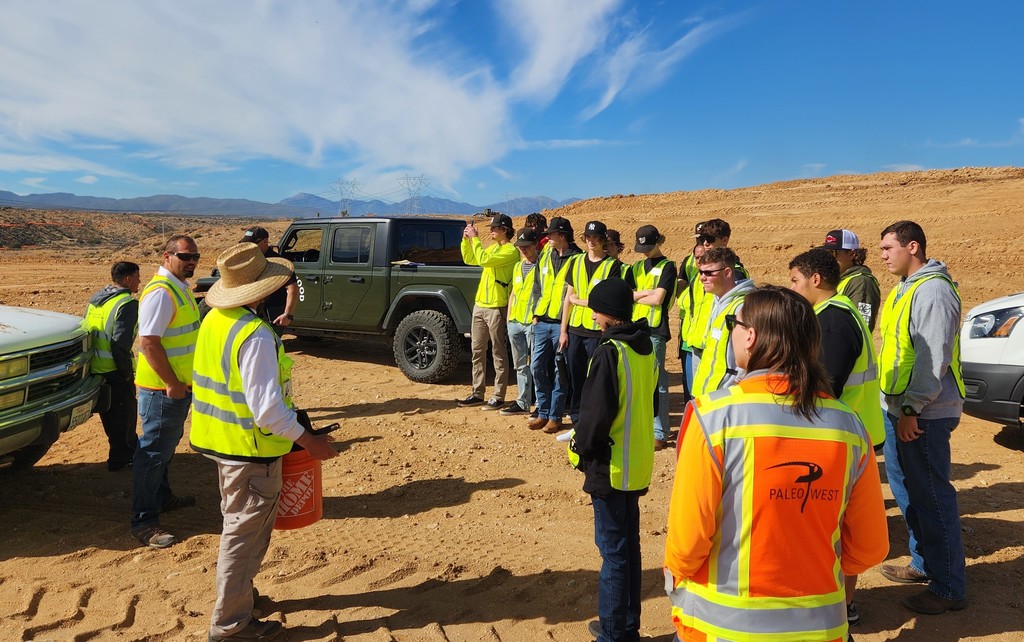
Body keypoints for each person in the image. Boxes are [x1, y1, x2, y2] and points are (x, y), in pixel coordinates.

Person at [664, 286, 888, 642]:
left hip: (720, 629)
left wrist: (675, 577)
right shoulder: (850, 426)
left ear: (750, 336)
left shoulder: (713, 418)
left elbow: (688, 542)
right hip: (822, 629)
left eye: (732, 324)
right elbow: (869, 546)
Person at [190, 243, 339, 642]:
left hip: (223, 444)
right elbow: (268, 411)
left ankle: (241, 599)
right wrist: (310, 442)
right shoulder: (255, 335)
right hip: (250, 451)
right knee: (244, 537)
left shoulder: (214, 319)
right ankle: (231, 626)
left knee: (240, 529)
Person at [789, 248, 886, 628]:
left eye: (796, 280)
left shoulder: (832, 322)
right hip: (849, 432)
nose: (792, 288)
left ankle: (841, 605)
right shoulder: (834, 313)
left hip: (842, 438)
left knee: (839, 526)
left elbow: (824, 385)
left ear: (816, 280)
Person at [877, 220, 967, 615]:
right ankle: (923, 563)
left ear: (912, 246)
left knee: (932, 497)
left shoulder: (932, 290)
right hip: (900, 408)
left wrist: (912, 408)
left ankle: (949, 588)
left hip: (923, 412)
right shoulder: (905, 289)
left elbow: (933, 358)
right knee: (908, 490)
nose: (881, 256)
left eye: (887, 248)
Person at [568, 278, 656, 642]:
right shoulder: (644, 347)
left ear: (605, 314)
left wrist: (579, 447)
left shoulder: (609, 352)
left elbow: (595, 416)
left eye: (595, 309)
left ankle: (614, 633)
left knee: (613, 554)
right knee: (628, 549)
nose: (592, 315)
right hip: (635, 464)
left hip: (610, 465)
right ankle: (625, 625)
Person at [131, 235, 202, 549]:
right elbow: (148, 343)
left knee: (164, 449)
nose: (191, 261)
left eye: (195, 256)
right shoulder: (161, 293)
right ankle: (144, 522)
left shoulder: (179, 288)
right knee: (152, 454)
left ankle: (162, 497)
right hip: (162, 389)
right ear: (167, 256)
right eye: (185, 255)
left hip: (176, 386)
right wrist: (172, 383)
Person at [561, 221, 622, 431]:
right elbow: (568, 296)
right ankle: (577, 419)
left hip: (597, 331)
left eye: (595, 237)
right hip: (575, 329)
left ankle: (593, 419)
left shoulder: (613, 266)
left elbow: (606, 301)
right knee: (576, 378)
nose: (591, 241)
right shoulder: (576, 261)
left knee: (595, 379)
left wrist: (579, 301)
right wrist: (563, 330)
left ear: (603, 239)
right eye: (588, 237)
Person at [83, 261, 141, 471]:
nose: (139, 281)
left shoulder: (97, 300)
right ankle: (122, 458)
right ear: (128, 279)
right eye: (137, 277)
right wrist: (127, 374)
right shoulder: (126, 304)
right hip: (115, 370)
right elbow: (120, 346)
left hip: (95, 367)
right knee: (124, 415)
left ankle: (122, 453)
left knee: (110, 415)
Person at [458, 212, 519, 410]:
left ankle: (499, 395)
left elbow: (483, 259)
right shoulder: (494, 248)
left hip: (496, 307)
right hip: (480, 305)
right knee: (477, 350)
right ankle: (477, 392)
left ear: (504, 230)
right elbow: (470, 259)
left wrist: (475, 238)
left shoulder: (510, 251)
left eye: (493, 228)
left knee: (498, 351)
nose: (490, 231)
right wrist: (466, 241)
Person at [625, 225, 677, 450]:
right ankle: (641, 425)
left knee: (658, 382)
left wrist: (637, 296)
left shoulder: (668, 267)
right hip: (635, 328)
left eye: (649, 246)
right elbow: (625, 295)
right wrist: (644, 294)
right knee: (637, 380)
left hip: (655, 329)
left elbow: (658, 300)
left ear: (659, 242)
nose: (645, 251)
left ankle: (659, 430)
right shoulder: (636, 267)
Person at [529, 217, 582, 433]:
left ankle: (555, 416)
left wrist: (566, 325)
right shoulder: (544, 256)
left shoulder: (578, 259)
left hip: (563, 324)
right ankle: (543, 411)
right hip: (542, 321)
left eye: (550, 234)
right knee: (536, 367)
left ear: (562, 235)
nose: (547, 237)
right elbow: (537, 286)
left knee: (560, 371)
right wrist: (535, 314)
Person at [683, 219, 747, 381]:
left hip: (718, 346)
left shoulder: (734, 272)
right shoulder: (700, 271)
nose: (705, 243)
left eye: (710, 239)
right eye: (703, 239)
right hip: (698, 342)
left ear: (724, 240)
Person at [689, 247, 754, 397]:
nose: (702, 278)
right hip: (707, 394)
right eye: (701, 272)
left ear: (727, 273)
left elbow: (750, 355)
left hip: (724, 398)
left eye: (709, 273)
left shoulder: (742, 307)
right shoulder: (716, 301)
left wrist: (734, 392)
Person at [501, 227, 540, 416]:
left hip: (532, 322)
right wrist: (509, 317)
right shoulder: (518, 266)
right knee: (520, 365)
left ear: (534, 245)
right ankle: (523, 401)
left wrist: (537, 317)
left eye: (526, 246)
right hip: (515, 322)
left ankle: (540, 403)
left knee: (537, 364)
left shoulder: (542, 266)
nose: (523, 249)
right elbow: (514, 293)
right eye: (520, 246)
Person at [240, 226, 299, 331]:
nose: (249, 247)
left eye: (253, 244)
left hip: (273, 315)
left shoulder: (279, 262)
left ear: (265, 241)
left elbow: (293, 288)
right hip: (252, 313)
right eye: (246, 244)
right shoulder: (249, 261)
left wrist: (288, 315)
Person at [820, 229, 881, 332]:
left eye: (833, 253)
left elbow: (861, 328)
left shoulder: (862, 283)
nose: (828, 258)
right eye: (826, 253)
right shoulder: (839, 280)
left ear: (851, 254)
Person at [676, 223, 706, 402]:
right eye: (699, 239)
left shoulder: (731, 266)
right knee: (689, 384)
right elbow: (681, 293)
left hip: (706, 339)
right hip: (689, 332)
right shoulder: (688, 262)